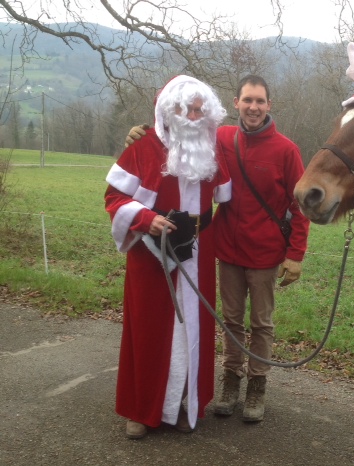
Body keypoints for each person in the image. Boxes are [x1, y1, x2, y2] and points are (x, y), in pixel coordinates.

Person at [126, 74, 310, 422]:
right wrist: (142, 133)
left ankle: (257, 385)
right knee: (230, 322)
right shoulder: (221, 137)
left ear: (269, 105)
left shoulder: (286, 150)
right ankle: (230, 381)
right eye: (247, 100)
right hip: (226, 250)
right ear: (237, 104)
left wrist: (295, 254)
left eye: (260, 101)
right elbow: (177, 136)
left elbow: (298, 205)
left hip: (266, 254)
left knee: (261, 323)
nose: (253, 107)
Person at [106, 75, 231, 439]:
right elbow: (114, 199)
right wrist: (145, 219)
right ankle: (140, 410)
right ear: (168, 109)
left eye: (198, 109)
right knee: (148, 331)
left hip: (197, 253)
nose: (191, 116)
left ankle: (184, 404)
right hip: (151, 255)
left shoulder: (213, 147)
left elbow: (225, 200)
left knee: (192, 330)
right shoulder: (143, 145)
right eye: (184, 108)